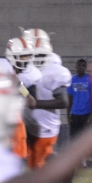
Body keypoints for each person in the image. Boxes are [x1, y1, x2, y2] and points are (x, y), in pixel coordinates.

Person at [21, 34, 71, 170]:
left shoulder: (53, 71)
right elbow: (25, 88)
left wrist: (34, 103)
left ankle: (64, 168)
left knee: (38, 163)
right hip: (29, 120)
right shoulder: (26, 68)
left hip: (45, 122)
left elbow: (63, 102)